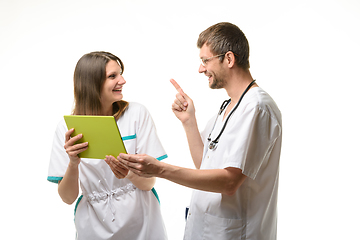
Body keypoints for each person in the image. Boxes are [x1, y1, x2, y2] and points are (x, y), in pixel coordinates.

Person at [112, 22, 282, 240]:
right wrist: (189, 122)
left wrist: (160, 170)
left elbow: (229, 182)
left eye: (205, 61)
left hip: (237, 233)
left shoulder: (257, 107)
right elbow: (205, 164)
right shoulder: (229, 107)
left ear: (229, 59)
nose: (201, 69)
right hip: (209, 229)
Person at [47, 51, 168, 240]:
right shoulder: (67, 127)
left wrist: (127, 173)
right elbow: (68, 198)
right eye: (113, 76)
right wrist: (73, 162)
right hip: (94, 224)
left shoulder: (137, 114)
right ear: (92, 84)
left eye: (120, 73)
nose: (123, 80)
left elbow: (149, 182)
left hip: (142, 221)